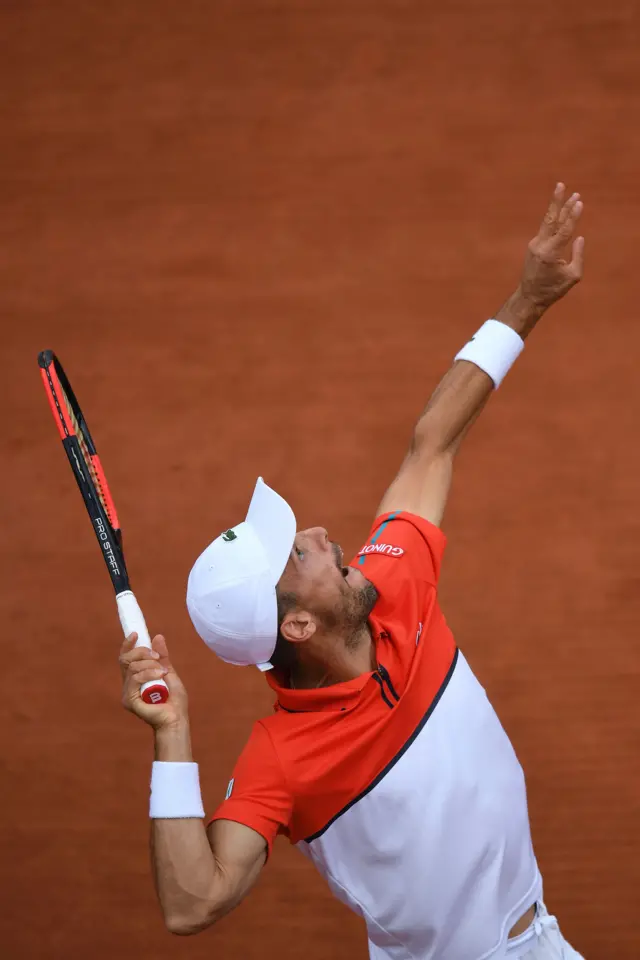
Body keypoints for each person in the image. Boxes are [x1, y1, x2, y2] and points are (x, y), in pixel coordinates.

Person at [120, 184, 587, 959]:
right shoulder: (281, 760)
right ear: (298, 624)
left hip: (544, 941)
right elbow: (192, 903)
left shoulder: (390, 587)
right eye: (299, 554)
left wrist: (527, 301)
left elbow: (430, 443)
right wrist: (172, 734)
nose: (320, 534)